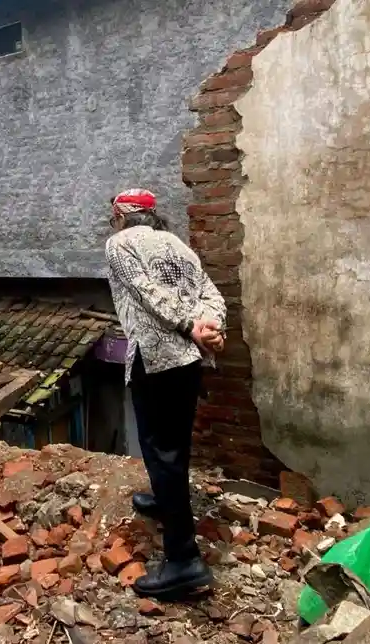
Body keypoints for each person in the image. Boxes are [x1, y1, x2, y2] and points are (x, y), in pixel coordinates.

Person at [105, 189, 226, 598]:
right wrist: (212, 328)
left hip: (155, 359)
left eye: (112, 216)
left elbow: (147, 294)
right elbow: (212, 293)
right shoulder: (177, 244)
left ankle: (183, 560)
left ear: (122, 214)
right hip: (190, 361)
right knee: (175, 443)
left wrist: (189, 324)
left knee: (160, 449)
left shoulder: (120, 244)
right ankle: (164, 499)